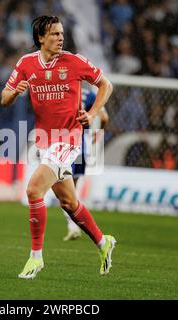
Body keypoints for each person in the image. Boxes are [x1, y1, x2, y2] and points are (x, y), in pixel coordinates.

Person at [1, 15, 116, 279]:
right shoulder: (26, 64)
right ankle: (103, 242)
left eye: (61, 33)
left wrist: (94, 112)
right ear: (40, 38)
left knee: (33, 190)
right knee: (68, 202)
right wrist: (16, 91)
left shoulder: (74, 61)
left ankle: (36, 258)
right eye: (54, 34)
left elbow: (105, 85)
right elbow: (4, 98)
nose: (60, 38)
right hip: (45, 140)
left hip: (69, 139)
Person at [62, 85, 109, 241]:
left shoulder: (65, 88)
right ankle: (76, 225)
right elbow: (104, 118)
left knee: (62, 189)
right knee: (73, 187)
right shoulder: (90, 93)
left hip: (64, 144)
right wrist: (99, 132)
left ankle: (73, 225)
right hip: (82, 147)